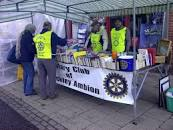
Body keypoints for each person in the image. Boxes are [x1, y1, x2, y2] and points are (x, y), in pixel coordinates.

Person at [33, 21, 66, 100]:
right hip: (49, 59)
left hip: (39, 59)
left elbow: (35, 49)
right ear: (50, 27)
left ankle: (43, 95)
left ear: (43, 27)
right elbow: (61, 42)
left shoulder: (37, 36)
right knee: (51, 77)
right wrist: (66, 39)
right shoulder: (51, 34)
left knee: (41, 78)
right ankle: (52, 94)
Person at [16, 24, 37, 96]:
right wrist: (36, 52)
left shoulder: (23, 35)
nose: (34, 31)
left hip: (22, 58)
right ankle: (29, 91)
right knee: (31, 74)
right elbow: (30, 48)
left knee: (26, 74)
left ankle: (26, 89)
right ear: (31, 29)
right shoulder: (28, 37)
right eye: (34, 30)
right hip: (27, 59)